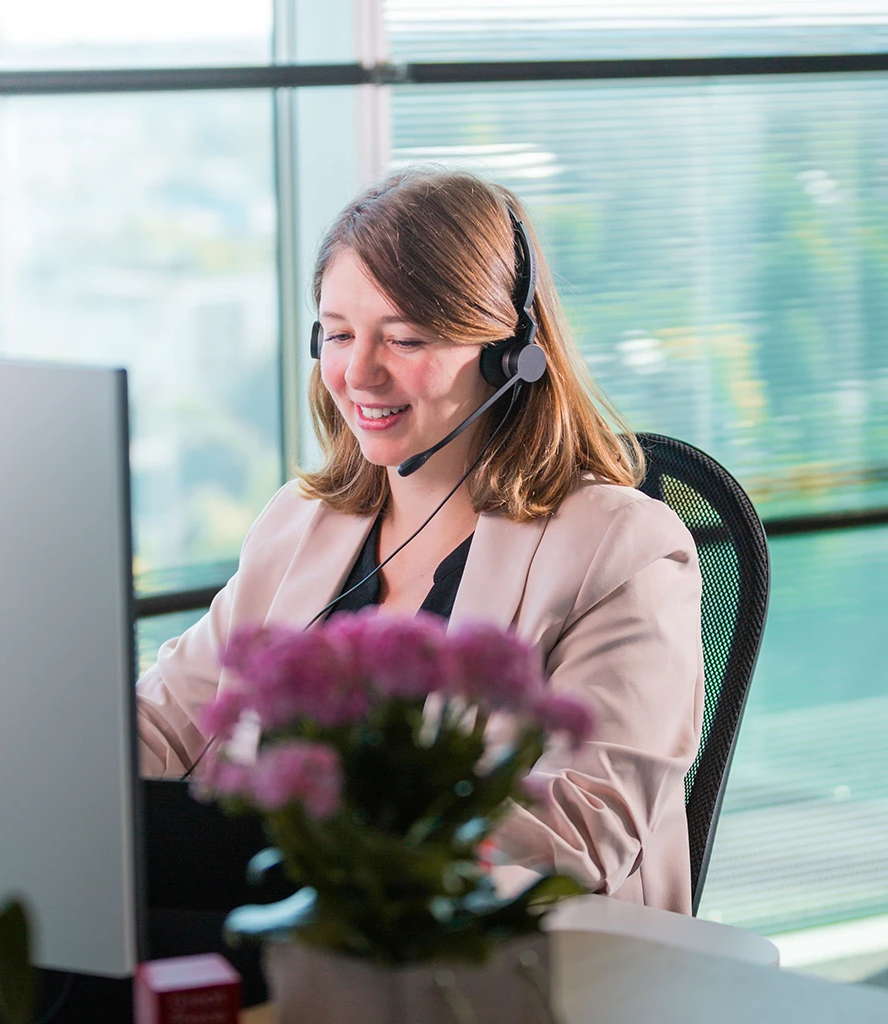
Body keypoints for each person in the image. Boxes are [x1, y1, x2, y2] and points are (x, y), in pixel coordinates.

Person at [136, 167, 704, 915]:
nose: (358, 372)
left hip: (511, 968)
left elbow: (579, 828)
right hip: (298, 942)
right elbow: (169, 717)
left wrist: (333, 863)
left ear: (512, 353)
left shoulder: (622, 549)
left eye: (404, 337)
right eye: (337, 334)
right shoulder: (299, 523)